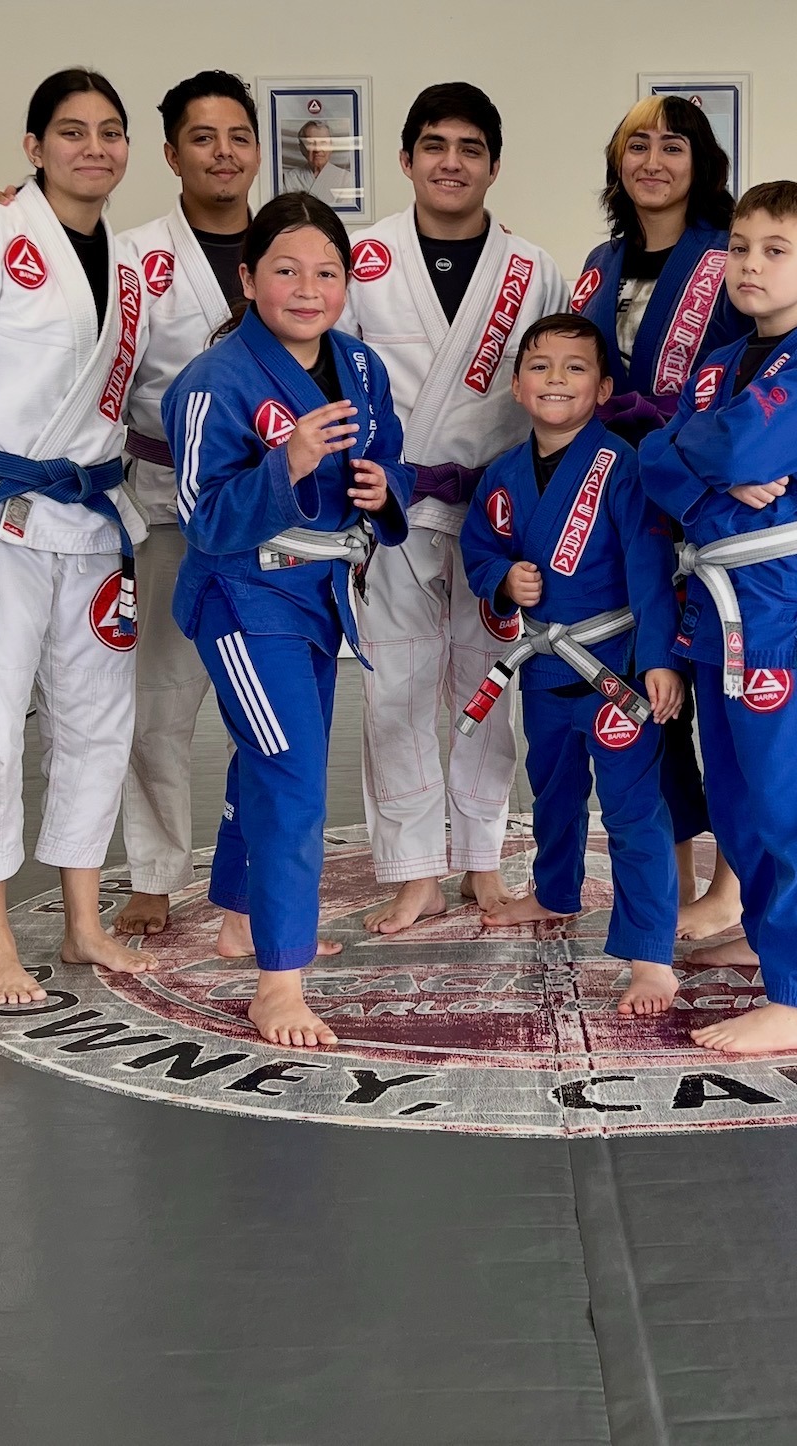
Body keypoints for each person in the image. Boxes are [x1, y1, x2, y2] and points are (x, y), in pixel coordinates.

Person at [0, 69, 154, 1006]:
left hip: (91, 520)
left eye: (110, 131)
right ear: (34, 147)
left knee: (97, 728)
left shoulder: (129, 265)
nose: (94, 147)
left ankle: (84, 923)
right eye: (72, 131)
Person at [161, 193, 412, 1047]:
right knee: (293, 775)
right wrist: (289, 462)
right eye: (286, 270)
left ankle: (241, 918)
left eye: (327, 272)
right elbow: (202, 518)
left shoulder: (360, 366)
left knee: (269, 760)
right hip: (244, 594)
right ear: (248, 278)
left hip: (321, 592)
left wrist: (383, 490)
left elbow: (391, 452)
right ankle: (279, 984)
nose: (309, 289)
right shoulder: (212, 383)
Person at [641, 181, 797, 1054]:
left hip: (777, 598)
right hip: (712, 597)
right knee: (736, 798)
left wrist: (702, 454)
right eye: (739, 247)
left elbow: (734, 445)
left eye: (776, 250)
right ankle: (773, 948)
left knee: (791, 798)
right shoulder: (719, 366)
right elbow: (650, 463)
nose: (751, 264)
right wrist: (706, 463)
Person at [338, 82, 567, 934]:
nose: (452, 162)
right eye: (434, 145)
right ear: (405, 159)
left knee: (488, 688)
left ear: (494, 165)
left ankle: (481, 859)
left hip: (495, 517)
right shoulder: (363, 259)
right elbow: (333, 374)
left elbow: (557, 390)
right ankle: (412, 874)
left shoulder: (532, 270)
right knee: (394, 692)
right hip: (393, 510)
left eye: (471, 149)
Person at [461, 314, 685, 1014]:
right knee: (551, 790)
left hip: (615, 669)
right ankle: (556, 892)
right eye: (540, 366)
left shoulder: (623, 466)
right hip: (543, 666)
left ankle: (651, 955)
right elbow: (478, 548)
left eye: (576, 367)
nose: (556, 378)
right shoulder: (501, 475)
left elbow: (651, 570)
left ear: (604, 388)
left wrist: (660, 659)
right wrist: (502, 579)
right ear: (516, 385)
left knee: (633, 810)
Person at [573, 95, 748, 938]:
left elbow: (761, 365)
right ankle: (673, 874)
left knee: (726, 694)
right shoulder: (600, 264)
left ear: (701, 163)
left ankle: (734, 886)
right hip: (624, 504)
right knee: (652, 685)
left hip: (708, 499)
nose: (653, 161)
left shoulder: (730, 255)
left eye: (672, 146)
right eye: (636, 145)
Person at [114, 71, 263, 946]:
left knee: (268, 701)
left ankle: (254, 868)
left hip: (270, 506)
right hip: (166, 503)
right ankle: (155, 873)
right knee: (160, 699)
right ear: (172, 154)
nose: (223, 153)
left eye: (238, 135)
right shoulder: (133, 257)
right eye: (203, 138)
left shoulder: (288, 243)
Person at [282, 119, 354, 205]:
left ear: (331, 146)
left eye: (323, 143)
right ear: (301, 148)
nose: (317, 149)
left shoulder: (346, 179)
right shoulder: (289, 178)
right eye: (311, 143)